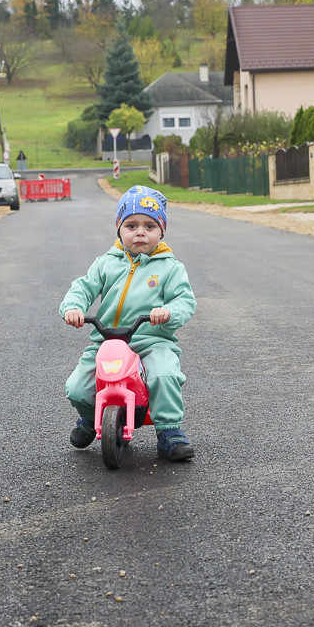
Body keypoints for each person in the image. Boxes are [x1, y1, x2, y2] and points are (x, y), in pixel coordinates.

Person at [60, 187, 197, 461]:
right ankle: (91, 417)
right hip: (107, 341)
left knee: (164, 374)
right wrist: (73, 307)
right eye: (131, 226)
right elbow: (84, 287)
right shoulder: (106, 263)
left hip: (151, 339)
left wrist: (168, 312)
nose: (140, 233)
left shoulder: (170, 267)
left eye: (150, 226)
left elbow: (184, 300)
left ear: (161, 231)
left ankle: (169, 431)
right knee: (77, 387)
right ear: (119, 229)